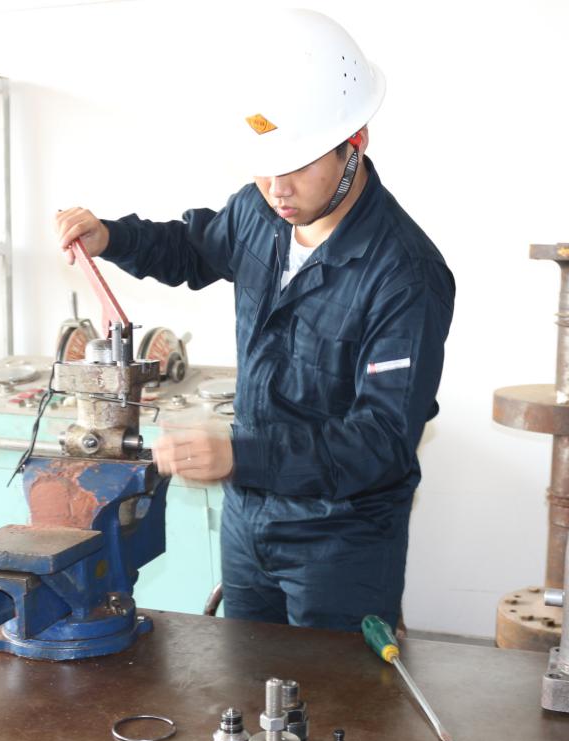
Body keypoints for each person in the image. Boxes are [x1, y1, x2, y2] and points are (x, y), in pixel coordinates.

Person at [54, 9, 454, 632]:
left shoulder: (404, 275)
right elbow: (193, 248)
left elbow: (380, 442)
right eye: (263, 166)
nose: (277, 188)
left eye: (297, 165)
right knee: (244, 677)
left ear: (355, 142)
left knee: (332, 692)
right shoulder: (259, 211)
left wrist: (239, 455)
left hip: (340, 538)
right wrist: (114, 237)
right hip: (248, 523)